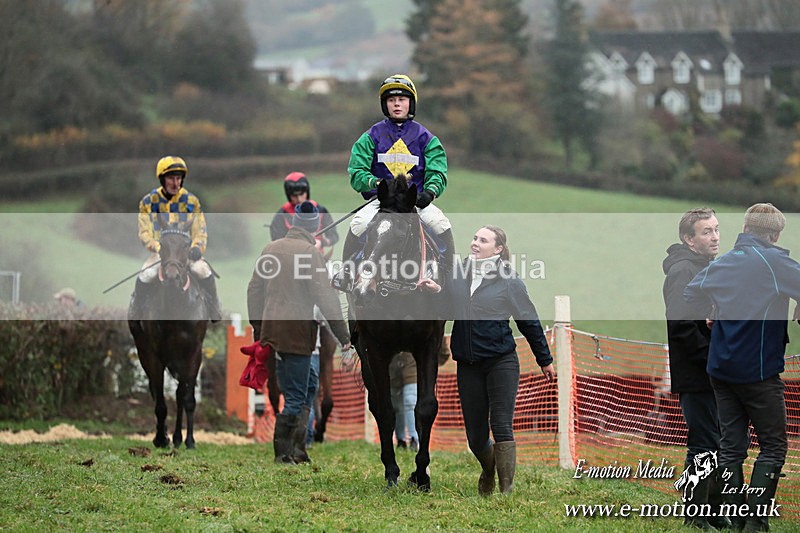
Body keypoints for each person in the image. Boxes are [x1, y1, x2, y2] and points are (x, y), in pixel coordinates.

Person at [418, 225, 555, 496]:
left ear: (498, 249)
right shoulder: (458, 273)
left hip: (500, 361)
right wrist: (436, 290)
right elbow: (449, 308)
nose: (475, 243)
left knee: (501, 423)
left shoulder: (510, 281)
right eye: (474, 238)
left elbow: (529, 321)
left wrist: (545, 359)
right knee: (476, 436)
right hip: (468, 364)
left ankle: (506, 492)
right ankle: (488, 469)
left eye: (483, 240)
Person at [685, 203, 795, 531]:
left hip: (720, 370)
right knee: (774, 446)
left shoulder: (726, 262)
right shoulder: (776, 262)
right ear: (775, 234)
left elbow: (691, 293)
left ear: (745, 229)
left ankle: (735, 517)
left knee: (731, 446)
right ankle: (755, 522)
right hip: (758, 373)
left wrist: (713, 305)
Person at [247, 201, 351, 465]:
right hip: (297, 334)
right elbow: (326, 298)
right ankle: (283, 453)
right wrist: (344, 335)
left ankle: (298, 449)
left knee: (310, 384)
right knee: (296, 394)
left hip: (272, 334)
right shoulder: (310, 253)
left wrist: (259, 328)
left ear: (294, 224)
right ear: (315, 227)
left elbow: (254, 290)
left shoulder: (270, 249)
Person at [333, 74, 454, 291]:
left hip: (414, 202)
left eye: (402, 99)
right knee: (358, 223)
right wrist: (376, 184)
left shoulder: (427, 138)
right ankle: (347, 272)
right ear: (385, 104)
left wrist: (430, 192)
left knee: (441, 223)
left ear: (411, 103)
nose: (396, 104)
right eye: (391, 100)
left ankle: (449, 275)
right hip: (383, 202)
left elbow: (438, 171)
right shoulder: (371, 136)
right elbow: (357, 170)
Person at [662, 207, 730, 530]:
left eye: (716, 229)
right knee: (703, 443)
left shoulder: (708, 268)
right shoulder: (682, 272)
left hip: (713, 371)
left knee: (715, 442)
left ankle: (715, 512)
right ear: (689, 239)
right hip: (696, 372)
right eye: (706, 231)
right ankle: (694, 513)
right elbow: (681, 327)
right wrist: (712, 359)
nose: (715, 236)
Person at [130, 156, 220, 321]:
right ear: (162, 179)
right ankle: (136, 311)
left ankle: (214, 308)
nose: (176, 183)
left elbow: (200, 230)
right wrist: (158, 248)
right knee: (146, 274)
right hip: (160, 253)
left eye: (178, 178)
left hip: (185, 253)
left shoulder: (191, 201)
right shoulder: (148, 202)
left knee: (203, 270)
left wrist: (196, 248)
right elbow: (144, 233)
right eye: (171, 178)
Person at [269, 171, 339, 260]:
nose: (298, 199)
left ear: (307, 192)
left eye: (301, 194)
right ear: (288, 195)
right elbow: (277, 243)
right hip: (292, 261)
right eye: (294, 196)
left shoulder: (320, 210)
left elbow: (334, 236)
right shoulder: (281, 215)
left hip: (318, 258)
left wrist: (321, 243)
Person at [389, 351, 418, 451]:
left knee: (410, 401)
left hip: (412, 369)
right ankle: (400, 440)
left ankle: (414, 439)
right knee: (396, 407)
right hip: (391, 370)